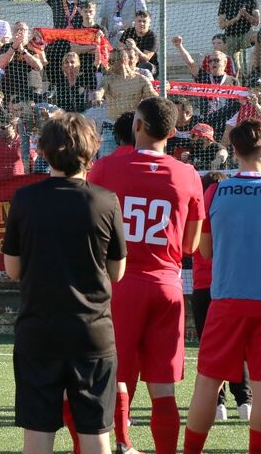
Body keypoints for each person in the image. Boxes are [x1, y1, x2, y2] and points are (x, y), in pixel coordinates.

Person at [2, 113, 127, 454]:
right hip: (92, 331)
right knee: (95, 431)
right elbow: (117, 272)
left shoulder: (25, 199)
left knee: (38, 432)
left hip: (39, 329)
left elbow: (12, 268)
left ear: (42, 151)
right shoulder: (106, 200)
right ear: (92, 152)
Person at [88, 97, 205, 454]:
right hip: (167, 285)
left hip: (120, 284)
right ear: (171, 133)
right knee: (164, 388)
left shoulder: (106, 168)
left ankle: (123, 442)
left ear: (136, 125)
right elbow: (191, 244)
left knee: (117, 377)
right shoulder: (187, 175)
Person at [182, 119, 261, 454]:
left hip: (227, 299)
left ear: (234, 151)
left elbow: (204, 251)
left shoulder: (216, 190)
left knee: (208, 382)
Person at [189, 172, 251, 424]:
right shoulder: (233, 212)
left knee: (210, 347)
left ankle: (218, 404)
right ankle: (244, 400)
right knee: (239, 345)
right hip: (231, 285)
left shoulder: (199, 212)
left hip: (205, 286)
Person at [95, 49, 157, 156]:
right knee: (107, 163)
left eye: (111, 61)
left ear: (123, 61)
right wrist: (97, 98)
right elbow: (100, 91)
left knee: (134, 163)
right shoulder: (108, 79)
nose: (108, 65)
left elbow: (153, 97)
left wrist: (164, 90)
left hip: (133, 129)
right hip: (111, 128)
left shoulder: (140, 80)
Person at [216, 0, 260, 76]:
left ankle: (255, 69)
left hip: (246, 34)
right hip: (231, 36)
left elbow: (256, 22)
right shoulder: (225, 1)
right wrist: (236, 18)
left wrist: (245, 14)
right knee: (235, 68)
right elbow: (222, 25)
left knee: (259, 37)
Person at [0, 22, 45, 102]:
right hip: (10, 88)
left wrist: (23, 51)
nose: (19, 32)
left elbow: (38, 66)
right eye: (16, 30)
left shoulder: (34, 46)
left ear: (28, 33)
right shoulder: (6, 47)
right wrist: (14, 47)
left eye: (22, 29)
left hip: (32, 87)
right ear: (12, 33)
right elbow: (2, 64)